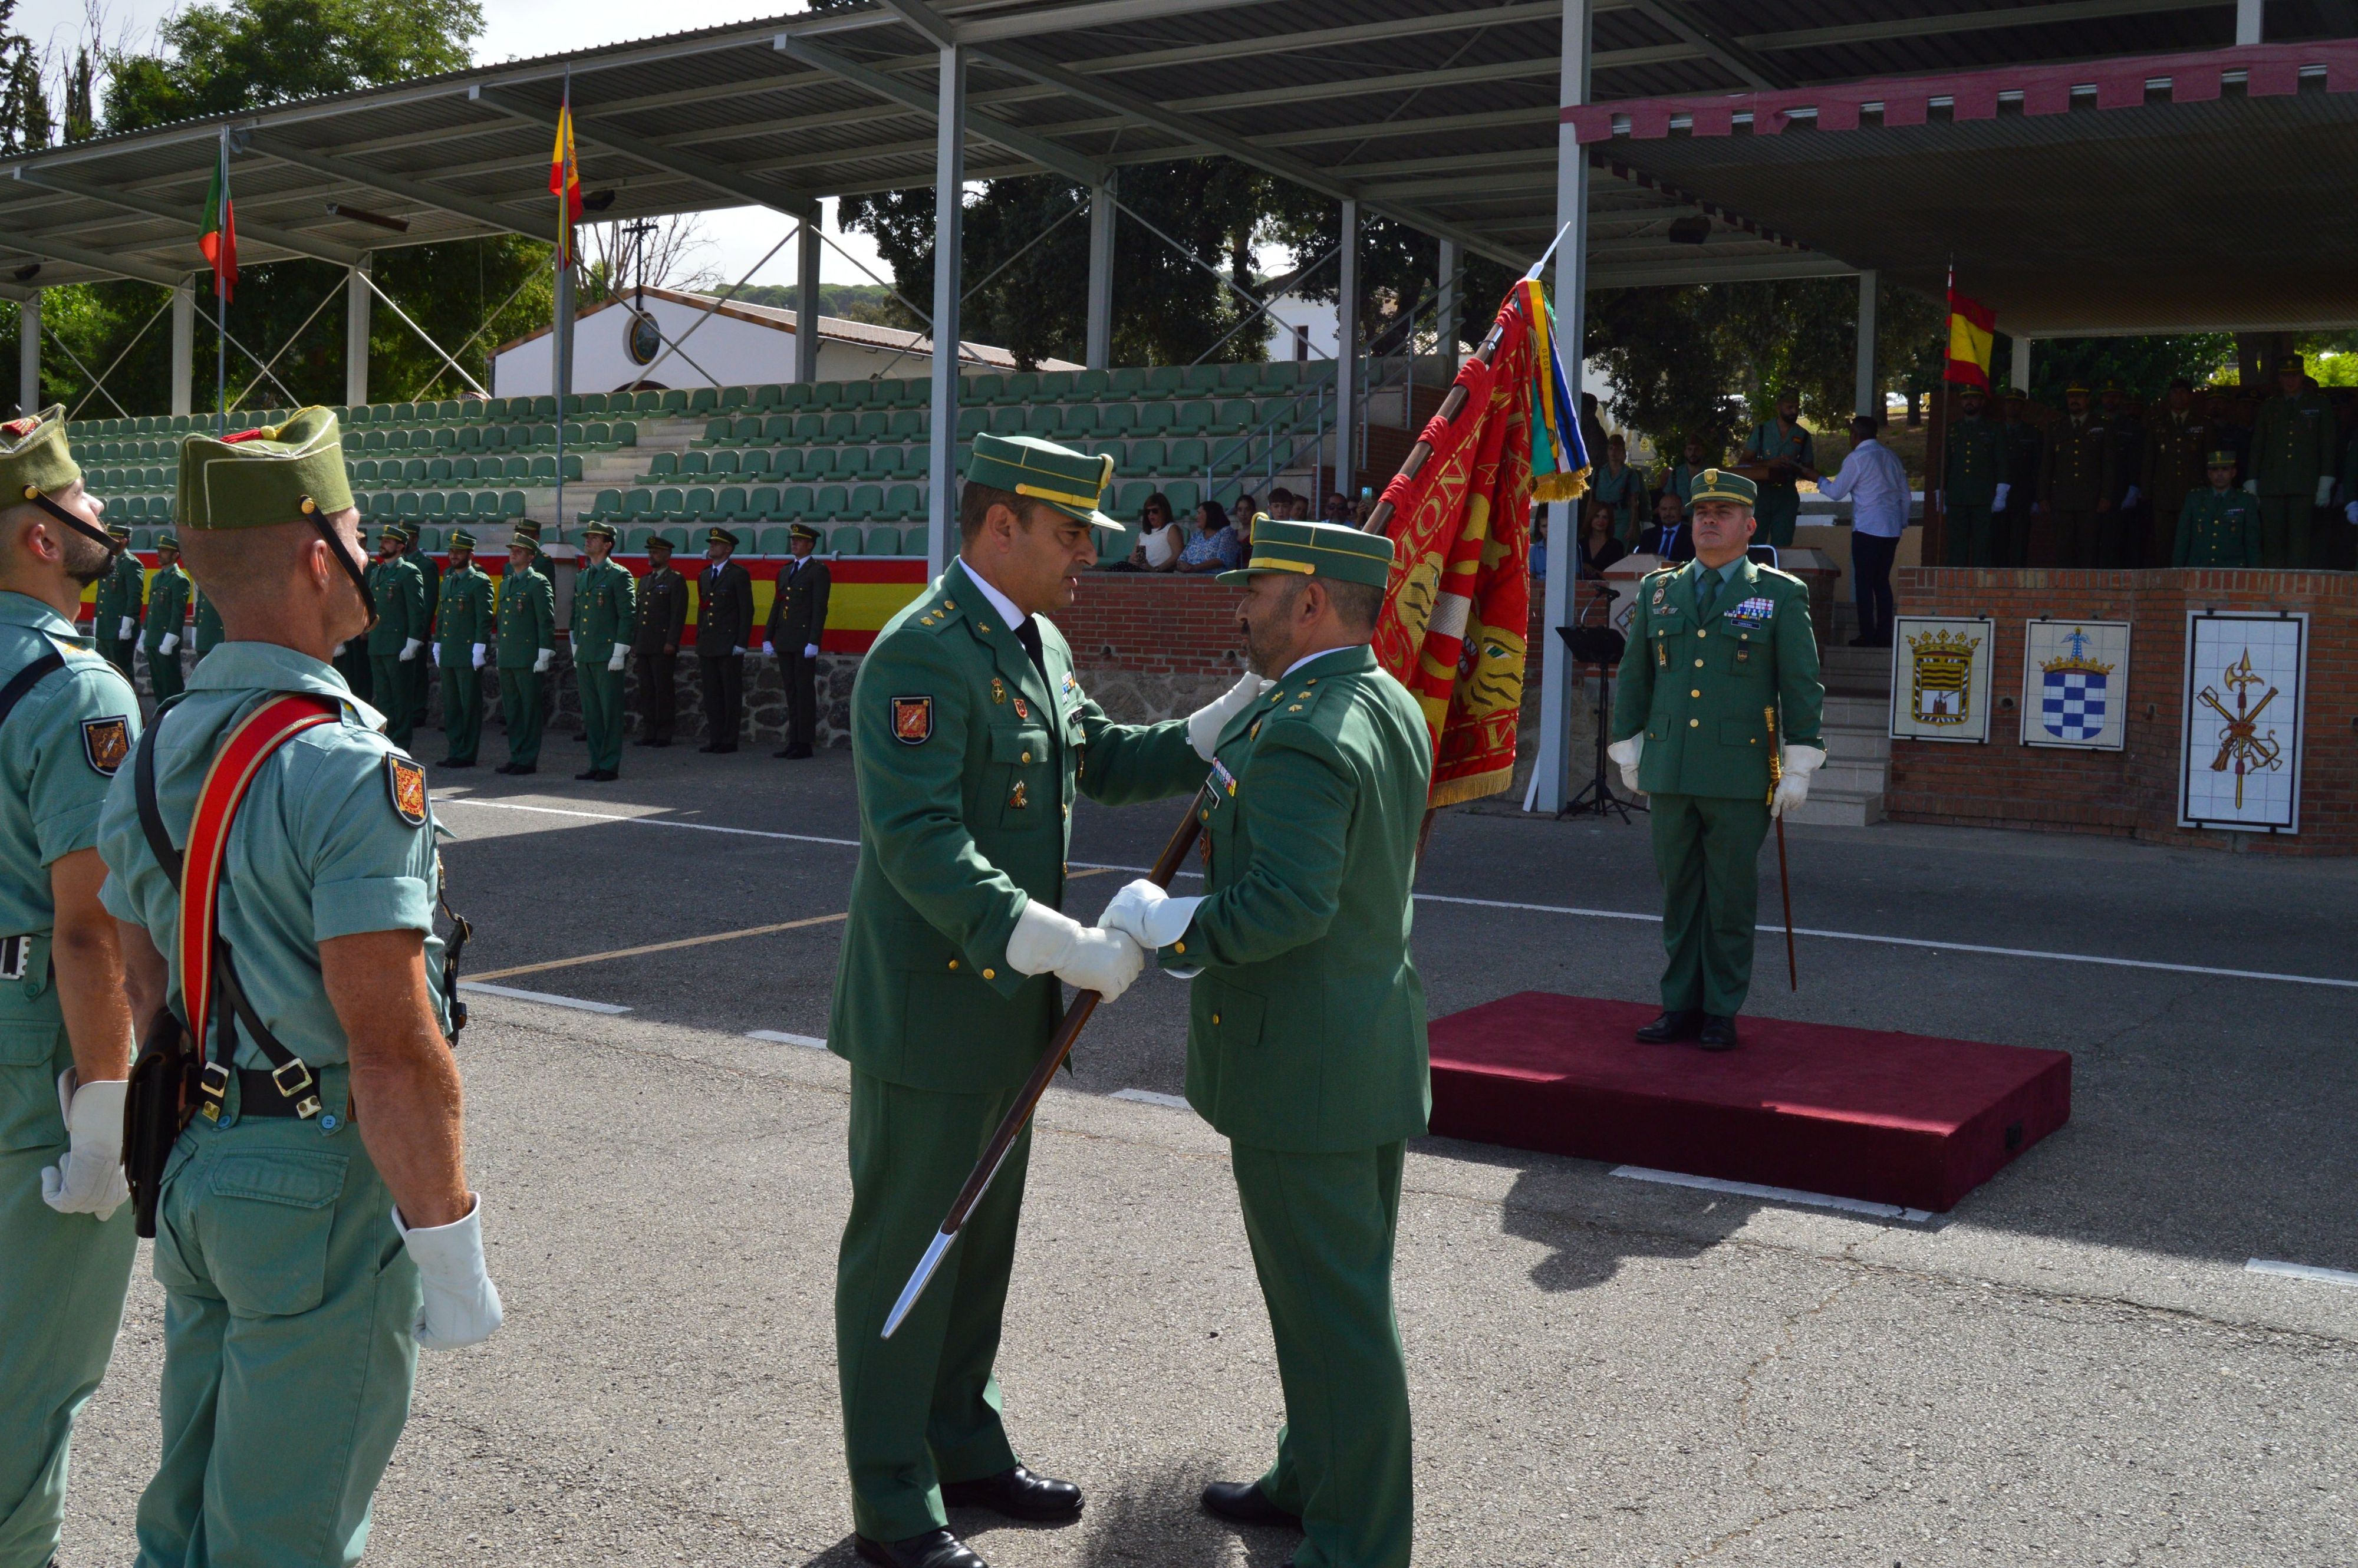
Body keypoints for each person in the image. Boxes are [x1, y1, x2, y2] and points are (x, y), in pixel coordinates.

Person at [96, 407, 500, 1568]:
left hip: (198, 1156)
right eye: (359, 530)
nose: (371, 555)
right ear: (318, 555)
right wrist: (449, 1242)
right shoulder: (349, 768)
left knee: (186, 1520)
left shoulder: (155, 745)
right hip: (315, 1174)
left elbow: (141, 978)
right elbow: (389, 1040)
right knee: (286, 1534)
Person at [829, 431, 1211, 1568]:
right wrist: (1055, 942)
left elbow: (1093, 755)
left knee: (979, 1243)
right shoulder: (920, 654)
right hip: (933, 1010)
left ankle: (962, 1442)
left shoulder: (1035, 640)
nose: (1086, 551)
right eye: (1067, 531)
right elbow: (920, 841)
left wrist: (1206, 732)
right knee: (908, 1250)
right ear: (1002, 527)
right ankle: (894, 1501)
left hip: (1012, 1013)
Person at [1097, 516, 1431, 1568]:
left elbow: (1286, 905)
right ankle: (1310, 1474)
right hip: (1353, 1047)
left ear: (1314, 603)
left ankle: (1357, 1544)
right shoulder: (1377, 700)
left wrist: (1171, 927)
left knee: (1337, 1318)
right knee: (1321, 1297)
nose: (1237, 607)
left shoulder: (1304, 726)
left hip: (1306, 1069)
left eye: (1259, 591)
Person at [0, 407, 141, 1568]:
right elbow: (88, 933)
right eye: (80, 498)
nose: (99, 511)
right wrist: (104, 1122)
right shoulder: (76, 689)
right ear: (39, 539)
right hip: (22, 1073)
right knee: (24, 1402)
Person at [1605, 468, 1826, 1052]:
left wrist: (1799, 762)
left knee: (1728, 895)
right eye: (1702, 511)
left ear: (1749, 525)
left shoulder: (1779, 593)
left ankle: (1720, 1009)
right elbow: (1635, 678)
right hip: (1671, 766)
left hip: (1739, 770)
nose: (1707, 519)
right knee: (1679, 893)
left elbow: (1800, 684)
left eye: (1723, 512)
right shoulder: (1659, 590)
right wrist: (1627, 744)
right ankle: (1679, 1003)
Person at [1817, 414, 1910, 647]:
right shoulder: (1891, 457)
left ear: (1855, 435)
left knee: (1864, 583)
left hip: (1868, 528)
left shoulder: (1857, 458)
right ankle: (1884, 635)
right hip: (1891, 529)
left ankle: (1867, 635)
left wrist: (1817, 479)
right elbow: (1905, 495)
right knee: (1882, 582)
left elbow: (1837, 492)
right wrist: (1902, 522)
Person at [2248, 353, 2337, 569]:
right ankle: (2273, 595)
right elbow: (2258, 446)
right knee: (2272, 543)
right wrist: (2251, 480)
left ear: (2303, 376)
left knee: (2300, 544)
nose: (2290, 380)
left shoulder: (2319, 404)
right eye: (2285, 375)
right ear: (2279, 378)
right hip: (2272, 485)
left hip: (2304, 484)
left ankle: (2296, 596)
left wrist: (2325, 482)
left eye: (2295, 375)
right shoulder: (2270, 407)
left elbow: (2328, 446)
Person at [571, 520, 636, 782]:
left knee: (610, 712)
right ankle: (596, 762)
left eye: (595, 537)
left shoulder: (619, 575)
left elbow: (627, 616)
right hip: (587, 653)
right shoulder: (583, 576)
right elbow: (577, 616)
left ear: (608, 544)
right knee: (592, 713)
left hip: (607, 655)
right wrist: (576, 647)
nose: (588, 540)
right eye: (587, 537)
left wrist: (620, 652)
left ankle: (609, 764)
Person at [768, 521, 831, 759]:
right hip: (786, 638)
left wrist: (814, 640)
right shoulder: (786, 571)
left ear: (811, 544)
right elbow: (778, 604)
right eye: (793, 540)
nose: (794, 543)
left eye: (799, 540)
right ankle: (793, 739)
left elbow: (819, 608)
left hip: (804, 640)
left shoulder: (818, 571)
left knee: (804, 692)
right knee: (791, 691)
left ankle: (804, 742)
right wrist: (768, 636)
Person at [493, 532, 554, 775]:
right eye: (512, 549)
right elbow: (504, 621)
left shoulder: (538, 583)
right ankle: (516, 754)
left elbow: (545, 621)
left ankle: (528, 758)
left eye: (519, 550)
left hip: (528, 656)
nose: (513, 552)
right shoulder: (507, 582)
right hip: (509, 655)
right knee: (513, 710)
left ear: (531, 557)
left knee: (529, 709)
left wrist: (544, 652)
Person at [432, 529, 494, 768]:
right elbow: (444, 615)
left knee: (469, 705)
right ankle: (455, 749)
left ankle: (467, 753)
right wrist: (438, 642)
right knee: (452, 705)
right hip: (449, 652)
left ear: (471, 554)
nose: (454, 555)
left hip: (468, 653)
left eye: (459, 551)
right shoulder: (448, 582)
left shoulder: (479, 582)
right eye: (452, 550)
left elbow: (484, 618)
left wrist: (480, 647)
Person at [364, 522, 427, 750]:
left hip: (398, 646)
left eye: (388, 541)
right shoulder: (377, 572)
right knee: (383, 698)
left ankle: (400, 744)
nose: (382, 545)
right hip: (378, 643)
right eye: (382, 541)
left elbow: (416, 610)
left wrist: (413, 642)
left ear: (401, 546)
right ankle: (385, 741)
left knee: (400, 698)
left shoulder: (408, 572)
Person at [2038, 382, 2115, 569]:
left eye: (2079, 396)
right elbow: (2047, 464)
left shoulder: (2102, 426)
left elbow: (2109, 465)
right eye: (2071, 397)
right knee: (2063, 550)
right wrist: (2042, 495)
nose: (2074, 401)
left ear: (2088, 400)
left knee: (2089, 550)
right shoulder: (2056, 427)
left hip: (2091, 500)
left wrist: (2106, 496)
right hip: (2062, 499)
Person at [696, 526, 755, 753]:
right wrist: (700, 637)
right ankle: (716, 737)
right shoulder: (704, 575)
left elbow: (746, 610)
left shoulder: (737, 574)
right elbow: (703, 610)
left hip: (729, 643)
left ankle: (729, 740)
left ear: (728, 549)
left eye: (717, 544)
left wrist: (742, 642)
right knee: (712, 694)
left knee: (730, 693)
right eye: (711, 543)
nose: (712, 546)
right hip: (709, 643)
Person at [2142, 377, 2212, 566]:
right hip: (2164, 495)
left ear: (2190, 396)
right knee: (2165, 544)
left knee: (2194, 542)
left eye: (2183, 393)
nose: (2178, 397)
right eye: (2174, 393)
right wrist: (2147, 492)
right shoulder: (2157, 424)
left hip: (2194, 494)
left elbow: (2209, 461)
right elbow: (2149, 461)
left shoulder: (2203, 424)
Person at [1739, 393, 1818, 549]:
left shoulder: (1803, 435)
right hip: (1761, 493)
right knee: (1754, 542)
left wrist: (1794, 466)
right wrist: (1769, 463)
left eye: (1796, 407)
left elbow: (1809, 470)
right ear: (1779, 407)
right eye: (1789, 407)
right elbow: (1743, 463)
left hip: (1786, 495)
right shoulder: (1762, 431)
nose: (1794, 411)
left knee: (1783, 544)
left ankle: (1778, 573)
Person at [1939, 386, 2005, 566]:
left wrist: (2001, 491)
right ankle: (1956, 590)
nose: (1969, 402)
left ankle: (1981, 590)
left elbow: (2002, 462)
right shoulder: (1953, 430)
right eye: (1965, 398)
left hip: (1984, 498)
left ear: (1982, 402)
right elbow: (1945, 464)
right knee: (1956, 549)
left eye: (1974, 398)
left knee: (1983, 548)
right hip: (1957, 497)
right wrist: (1941, 491)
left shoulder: (1994, 429)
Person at [633, 534, 689, 747]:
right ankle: (650, 730)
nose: (651, 555)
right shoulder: (646, 580)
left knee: (663, 689)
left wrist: (672, 641)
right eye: (650, 552)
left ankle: (664, 732)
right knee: (647, 689)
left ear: (667, 555)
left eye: (655, 552)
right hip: (645, 643)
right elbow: (639, 614)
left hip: (662, 644)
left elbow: (677, 614)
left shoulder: (675, 579)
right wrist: (635, 641)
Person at [2173, 452, 2264, 568]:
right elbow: (2182, 541)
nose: (2220, 474)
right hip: (2198, 569)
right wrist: (2177, 571)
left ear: (2233, 473)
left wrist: (2255, 576)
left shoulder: (2246, 501)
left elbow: (2252, 544)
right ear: (2209, 474)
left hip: (2233, 570)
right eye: (2215, 470)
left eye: (2225, 469)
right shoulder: (2194, 500)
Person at [2096, 380, 2146, 566]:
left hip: (2123, 490)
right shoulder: (2095, 424)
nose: (2111, 400)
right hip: (2097, 491)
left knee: (2124, 542)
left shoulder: (2132, 427)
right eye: (2108, 396)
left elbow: (2138, 460)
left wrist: (2135, 487)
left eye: (2115, 396)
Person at [401, 522, 442, 734]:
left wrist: (420, 630)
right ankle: (404, 710)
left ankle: (418, 711)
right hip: (397, 629)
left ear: (415, 539)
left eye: (406, 536)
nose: (403, 541)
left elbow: (429, 600)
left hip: (415, 629)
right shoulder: (397, 564)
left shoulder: (425, 565)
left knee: (417, 672)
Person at [141, 530, 190, 703]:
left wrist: (172, 637)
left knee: (171, 683)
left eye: (164, 551)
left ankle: (177, 717)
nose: (159, 554)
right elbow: (152, 609)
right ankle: (161, 717)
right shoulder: (156, 578)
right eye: (159, 550)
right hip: (154, 637)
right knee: (159, 684)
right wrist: (144, 632)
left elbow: (178, 612)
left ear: (176, 555)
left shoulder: (179, 579)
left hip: (166, 638)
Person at [1997, 389, 2044, 566]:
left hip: (2022, 497)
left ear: (2023, 407)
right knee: (1998, 545)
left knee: (2019, 545)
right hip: (1998, 498)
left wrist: (2037, 498)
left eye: (2017, 403)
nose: (2012, 407)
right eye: (2009, 403)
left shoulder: (2033, 434)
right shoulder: (1997, 431)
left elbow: (2038, 467)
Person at [94, 521, 143, 677]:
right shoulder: (108, 562)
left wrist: (127, 624)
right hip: (106, 627)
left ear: (124, 541)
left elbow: (134, 597)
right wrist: (97, 619)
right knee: (109, 673)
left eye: (113, 538)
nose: (109, 542)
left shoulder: (131, 565)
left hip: (120, 628)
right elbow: (101, 595)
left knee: (122, 673)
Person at [1588, 434, 1646, 544]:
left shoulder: (1630, 474)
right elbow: (1591, 500)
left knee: (1617, 550)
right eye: (1611, 448)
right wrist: (1587, 521)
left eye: (1618, 449)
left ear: (1623, 452)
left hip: (1621, 517)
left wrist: (1632, 527)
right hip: (1601, 516)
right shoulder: (1599, 473)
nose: (1614, 452)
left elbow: (1634, 503)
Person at [1177, 500, 1244, 574]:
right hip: (1191, 581)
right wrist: (1183, 566)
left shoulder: (1226, 532)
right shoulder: (1196, 536)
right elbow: (1182, 559)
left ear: (1210, 514)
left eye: (1199, 513)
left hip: (1216, 582)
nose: (1196, 517)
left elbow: (1222, 559)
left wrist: (1195, 568)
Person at [1635, 489, 1697, 563]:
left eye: (1672, 509)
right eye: (1664, 509)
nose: (1668, 513)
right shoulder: (1648, 535)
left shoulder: (1692, 535)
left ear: (1681, 510)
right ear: (1659, 511)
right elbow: (1639, 563)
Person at [1131, 492, 1183, 572]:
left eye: (1155, 511)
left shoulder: (1170, 529)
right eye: (1148, 512)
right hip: (1142, 571)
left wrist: (1156, 569)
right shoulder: (1143, 534)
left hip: (1160, 572)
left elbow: (1178, 554)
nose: (1151, 514)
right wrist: (1135, 562)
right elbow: (1132, 558)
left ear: (1164, 511)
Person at [1662, 435, 1712, 516]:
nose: (1693, 453)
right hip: (1682, 521)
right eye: (1690, 450)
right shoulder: (1676, 474)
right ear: (1685, 452)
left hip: (1705, 518)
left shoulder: (1712, 474)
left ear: (1703, 451)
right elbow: (1669, 499)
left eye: (1697, 449)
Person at [1578, 502, 1628, 578]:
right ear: (1591, 518)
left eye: (1605, 517)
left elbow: (1618, 576)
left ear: (1609, 521)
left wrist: (1594, 571)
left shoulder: (1616, 546)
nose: (1601, 521)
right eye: (1597, 516)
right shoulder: (1580, 544)